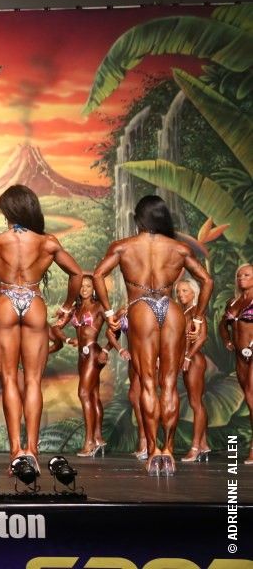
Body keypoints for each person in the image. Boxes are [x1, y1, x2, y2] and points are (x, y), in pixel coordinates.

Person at [0, 185, 82, 472]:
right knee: (33, 381)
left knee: (9, 380)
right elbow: (76, 273)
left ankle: (16, 452)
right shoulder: (47, 242)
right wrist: (67, 307)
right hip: (34, 301)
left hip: (6, 301)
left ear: (6, 211)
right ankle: (32, 450)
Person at [93, 195, 212, 476]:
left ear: (138, 219)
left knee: (148, 383)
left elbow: (98, 275)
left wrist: (109, 313)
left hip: (141, 307)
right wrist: (197, 317)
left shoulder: (123, 246)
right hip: (170, 309)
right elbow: (207, 280)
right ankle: (168, 451)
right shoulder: (178, 248)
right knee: (169, 384)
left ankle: (153, 451)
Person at [51, 275, 109, 457]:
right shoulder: (74, 309)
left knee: (83, 393)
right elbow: (55, 328)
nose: (84, 289)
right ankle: (99, 438)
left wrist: (106, 350)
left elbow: (115, 329)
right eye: (81, 286)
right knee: (93, 395)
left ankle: (89, 441)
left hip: (93, 352)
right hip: (81, 355)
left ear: (94, 288)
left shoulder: (99, 306)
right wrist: (68, 339)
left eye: (88, 286)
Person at [219, 263, 253, 465]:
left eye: (246, 275)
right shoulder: (233, 302)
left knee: (251, 397)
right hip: (240, 357)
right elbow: (223, 325)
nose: (242, 278)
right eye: (239, 276)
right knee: (249, 400)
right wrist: (227, 341)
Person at [105, 307, 148, 460]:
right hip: (133, 359)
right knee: (135, 397)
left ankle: (150, 443)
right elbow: (109, 332)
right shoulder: (125, 310)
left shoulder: (151, 307)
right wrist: (120, 349)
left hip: (149, 356)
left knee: (148, 397)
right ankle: (144, 440)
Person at [175, 278, 210, 462]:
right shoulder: (182, 311)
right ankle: (204, 445)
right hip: (186, 359)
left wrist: (188, 356)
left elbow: (202, 337)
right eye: (179, 291)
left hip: (194, 360)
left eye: (185, 291)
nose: (181, 294)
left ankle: (195, 447)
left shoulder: (197, 311)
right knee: (194, 401)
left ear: (194, 293)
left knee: (196, 403)